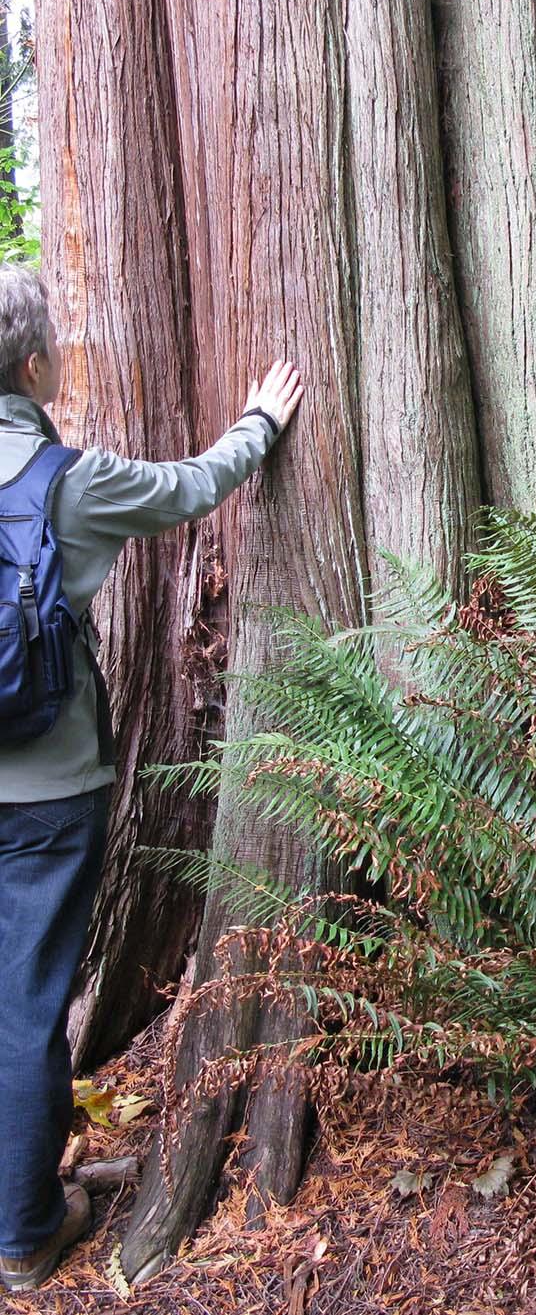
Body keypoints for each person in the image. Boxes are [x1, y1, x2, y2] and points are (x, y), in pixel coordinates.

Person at [0, 265, 303, 1291]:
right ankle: (26, 1228)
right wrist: (261, 422)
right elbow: (188, 487)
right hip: (47, 792)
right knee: (30, 1005)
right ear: (36, 367)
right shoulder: (66, 483)